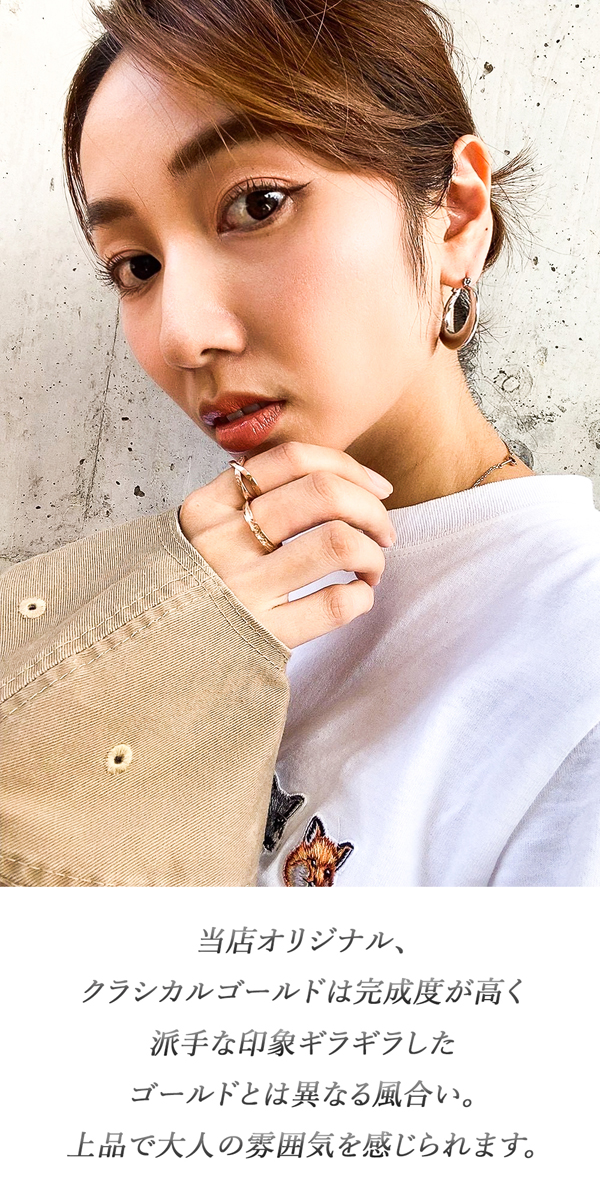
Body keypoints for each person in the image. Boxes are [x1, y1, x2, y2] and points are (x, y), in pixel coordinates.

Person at [1, 0, 598, 887]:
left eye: (257, 204)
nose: (181, 335)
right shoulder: (174, 590)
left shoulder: (571, 651)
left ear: (455, 216)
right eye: (137, 266)